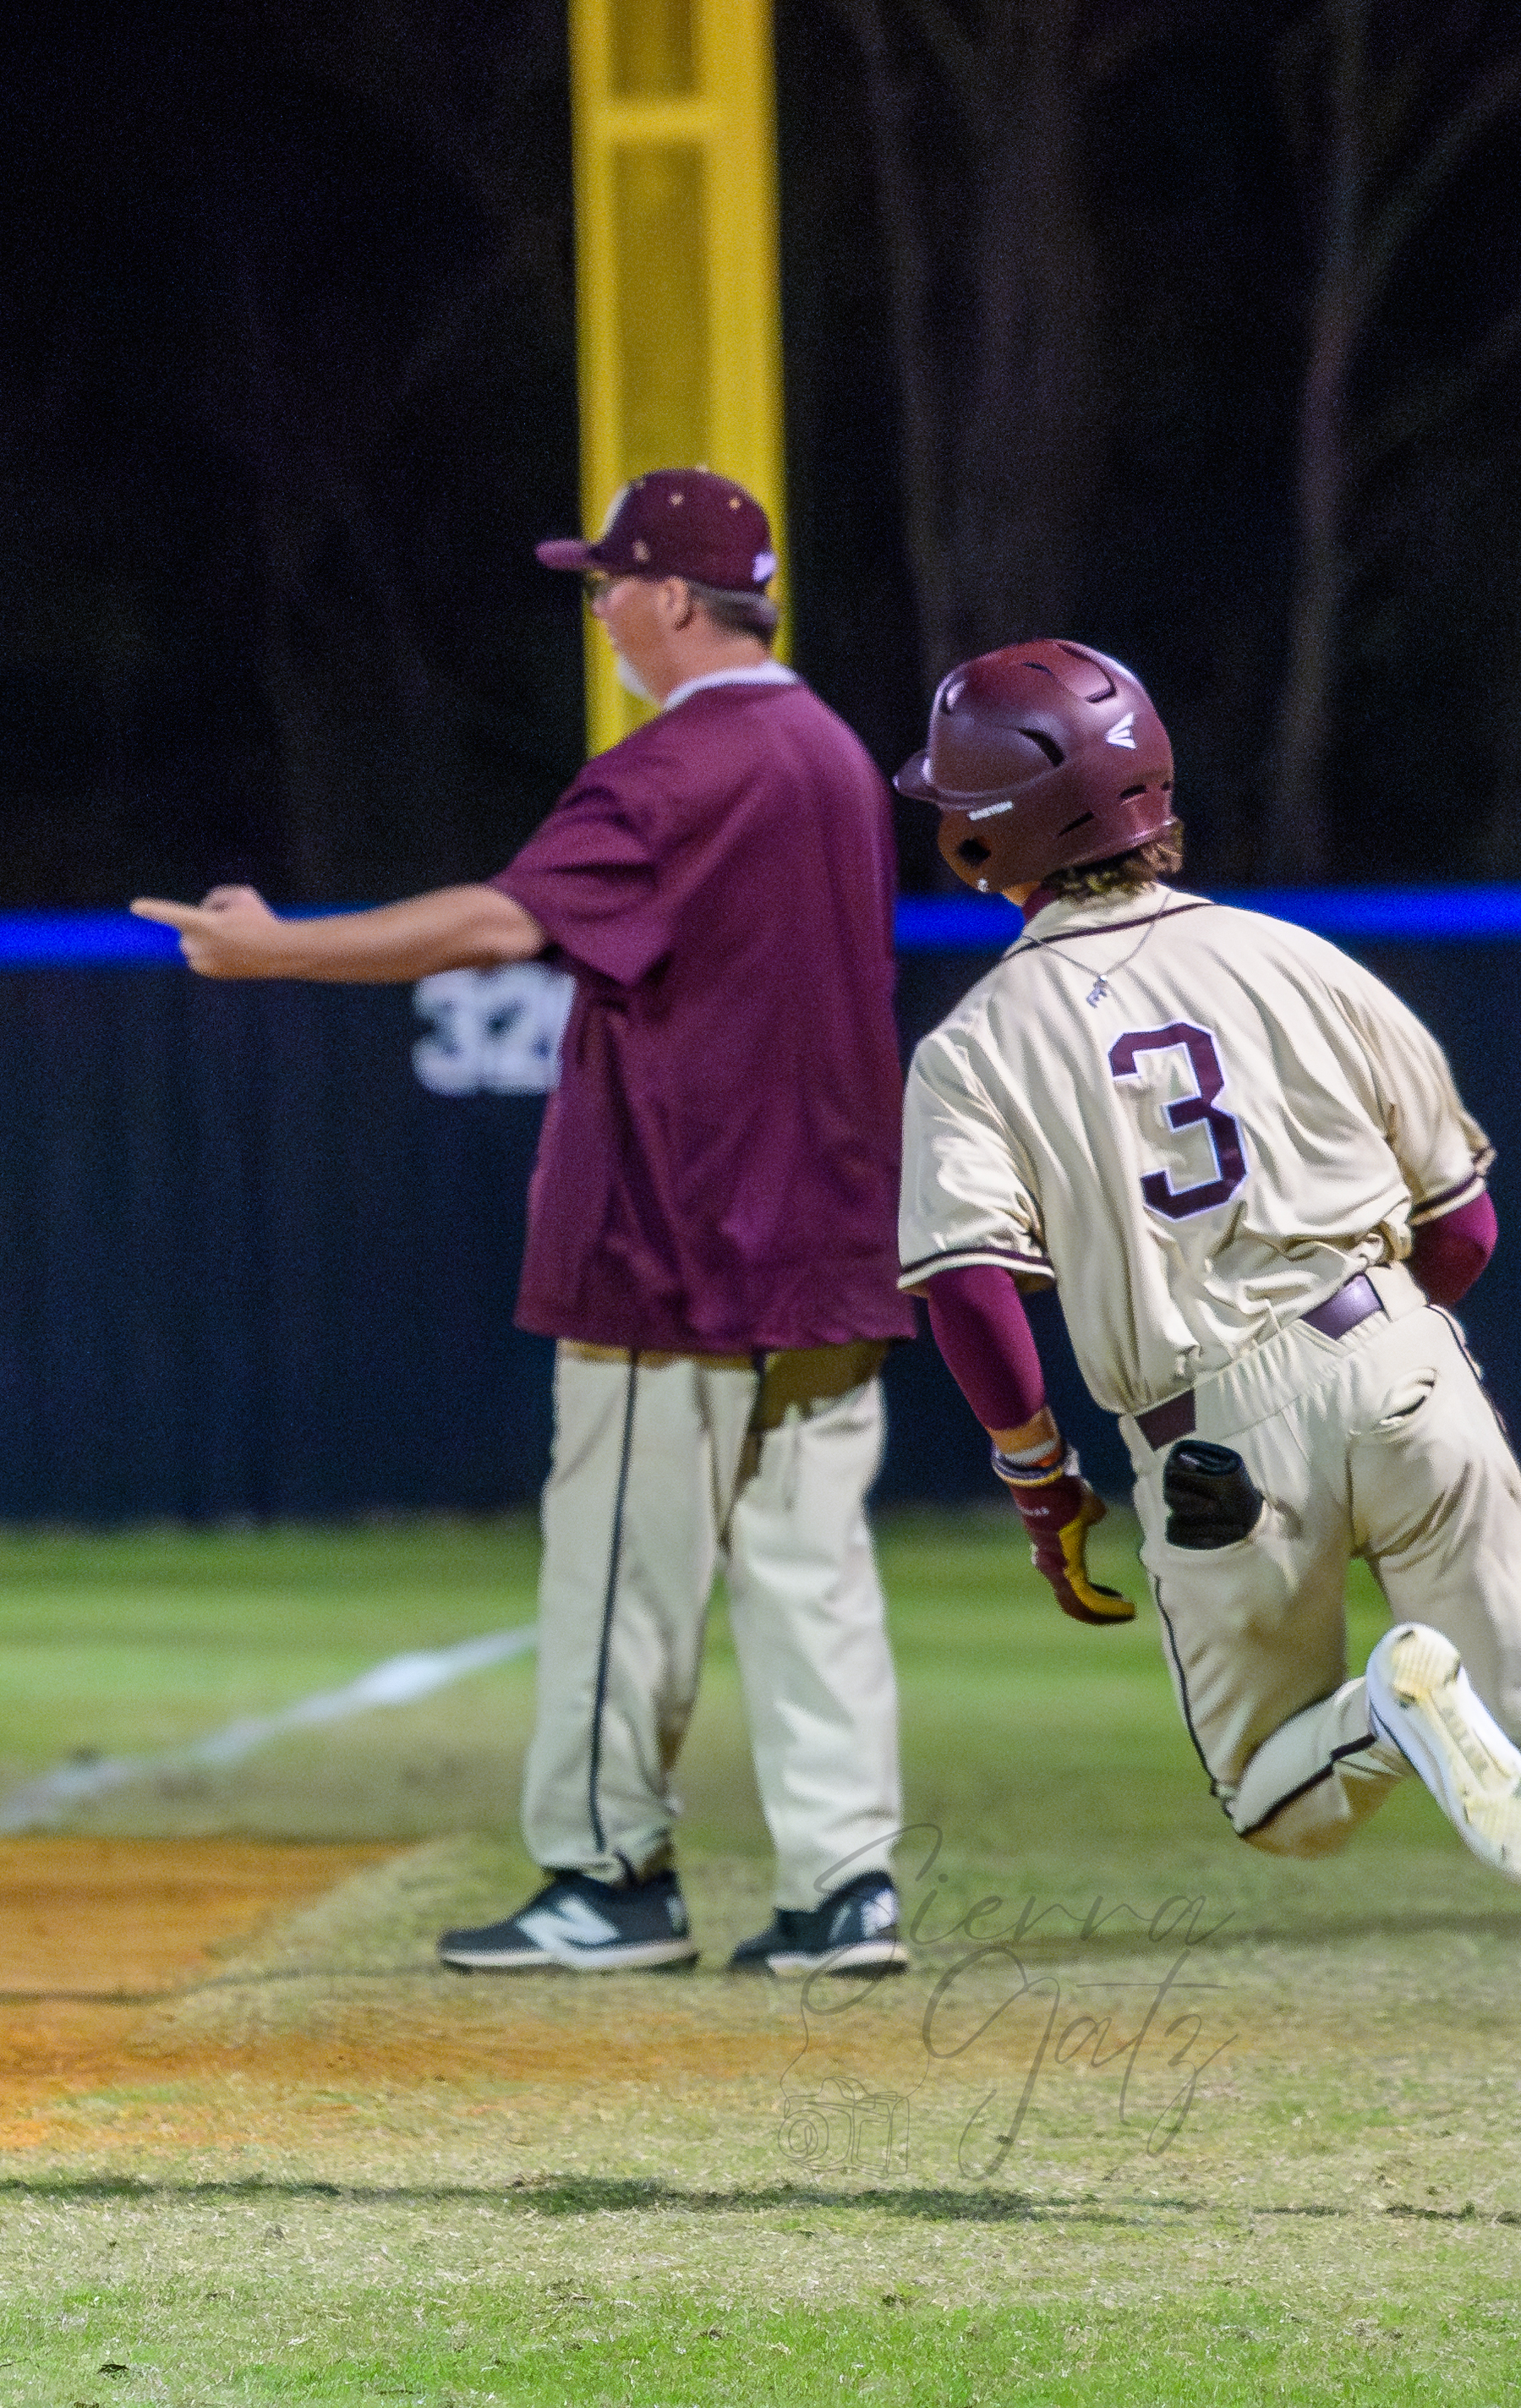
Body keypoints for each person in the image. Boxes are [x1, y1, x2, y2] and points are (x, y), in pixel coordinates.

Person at [888, 638, 1521, 2223]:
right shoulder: (1301, 961)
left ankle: (1390, 1710)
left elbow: (968, 1290)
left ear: (986, 837)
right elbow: (1468, 1233)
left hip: (1213, 1441)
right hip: (1397, 1354)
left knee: (1277, 1800)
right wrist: (1395, 1350)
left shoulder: (976, 1045)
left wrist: (1038, 1477)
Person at [133, 468, 917, 1980]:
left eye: (611, 581)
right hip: (824, 1245)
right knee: (813, 1575)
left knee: (626, 1578)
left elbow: (505, 922)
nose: (603, 607)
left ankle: (610, 1879)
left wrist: (280, 953)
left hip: (676, 1249)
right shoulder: (828, 752)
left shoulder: (681, 764)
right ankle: (846, 1891)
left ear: (678, 599)